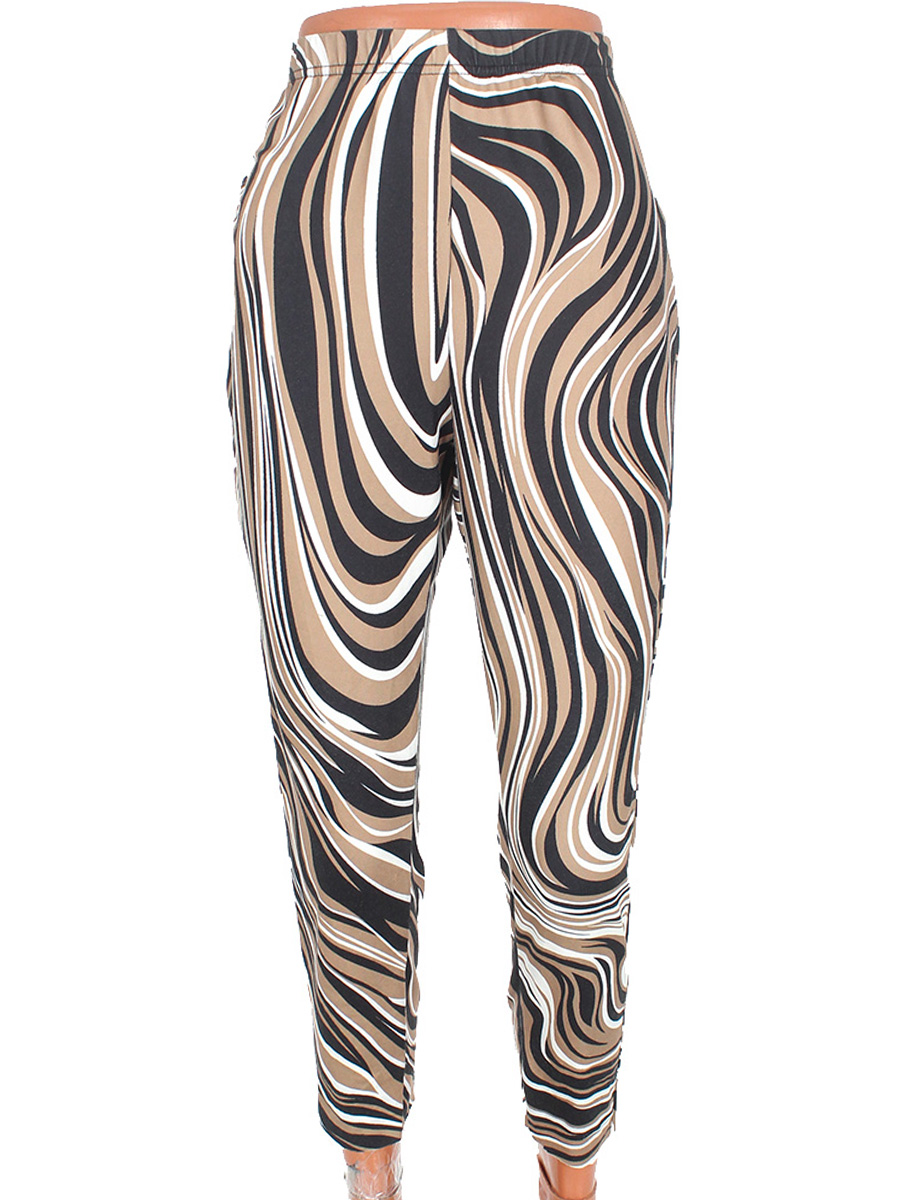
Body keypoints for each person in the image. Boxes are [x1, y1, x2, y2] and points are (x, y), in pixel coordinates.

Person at [226, 4, 680, 1197]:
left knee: (581, 763)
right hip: (332, 164)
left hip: (563, 174)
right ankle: (369, 1168)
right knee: (336, 738)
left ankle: (570, 1167)